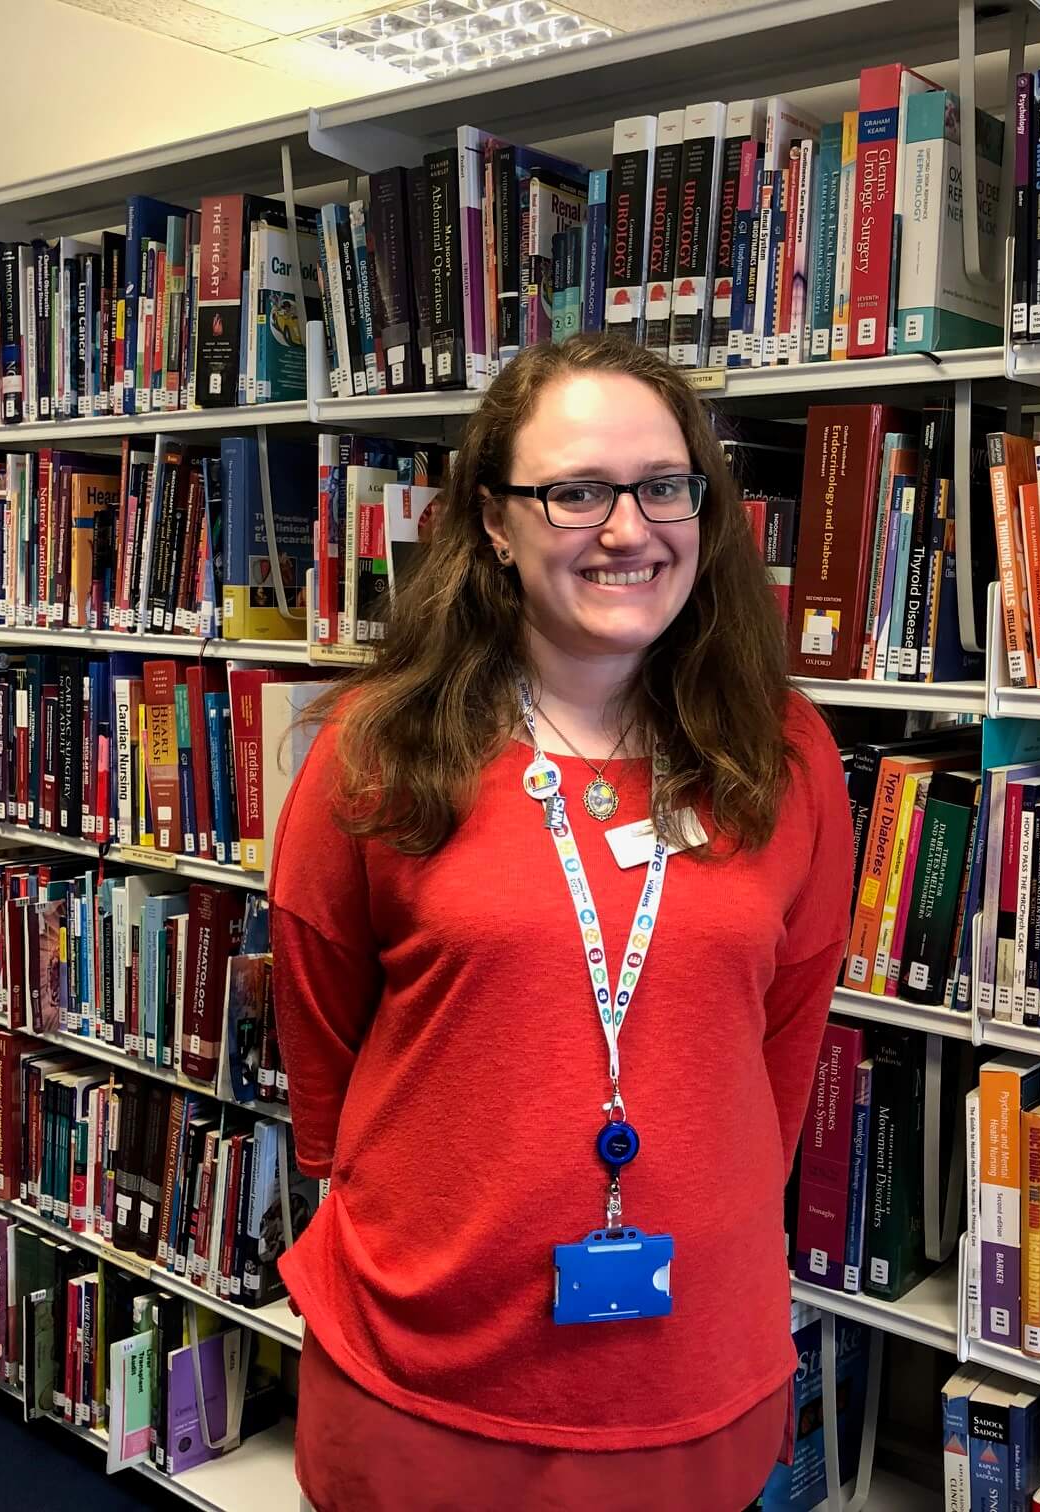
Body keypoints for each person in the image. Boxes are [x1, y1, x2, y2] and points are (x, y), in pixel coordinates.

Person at [269, 331, 854, 1511]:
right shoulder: (376, 753)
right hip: (428, 1367)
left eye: (663, 486)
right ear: (494, 521)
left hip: (689, 1361)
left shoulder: (785, 756)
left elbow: (786, 1034)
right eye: (576, 490)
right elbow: (320, 1013)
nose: (628, 529)